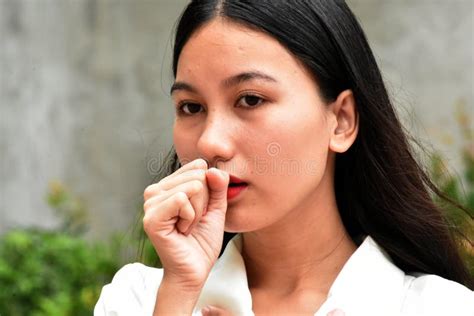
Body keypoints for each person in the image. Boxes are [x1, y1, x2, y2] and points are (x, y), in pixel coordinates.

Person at [95, 1, 474, 315]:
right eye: (191, 107)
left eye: (251, 99)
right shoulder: (140, 299)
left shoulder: (438, 307)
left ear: (341, 120)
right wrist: (178, 295)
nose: (211, 142)